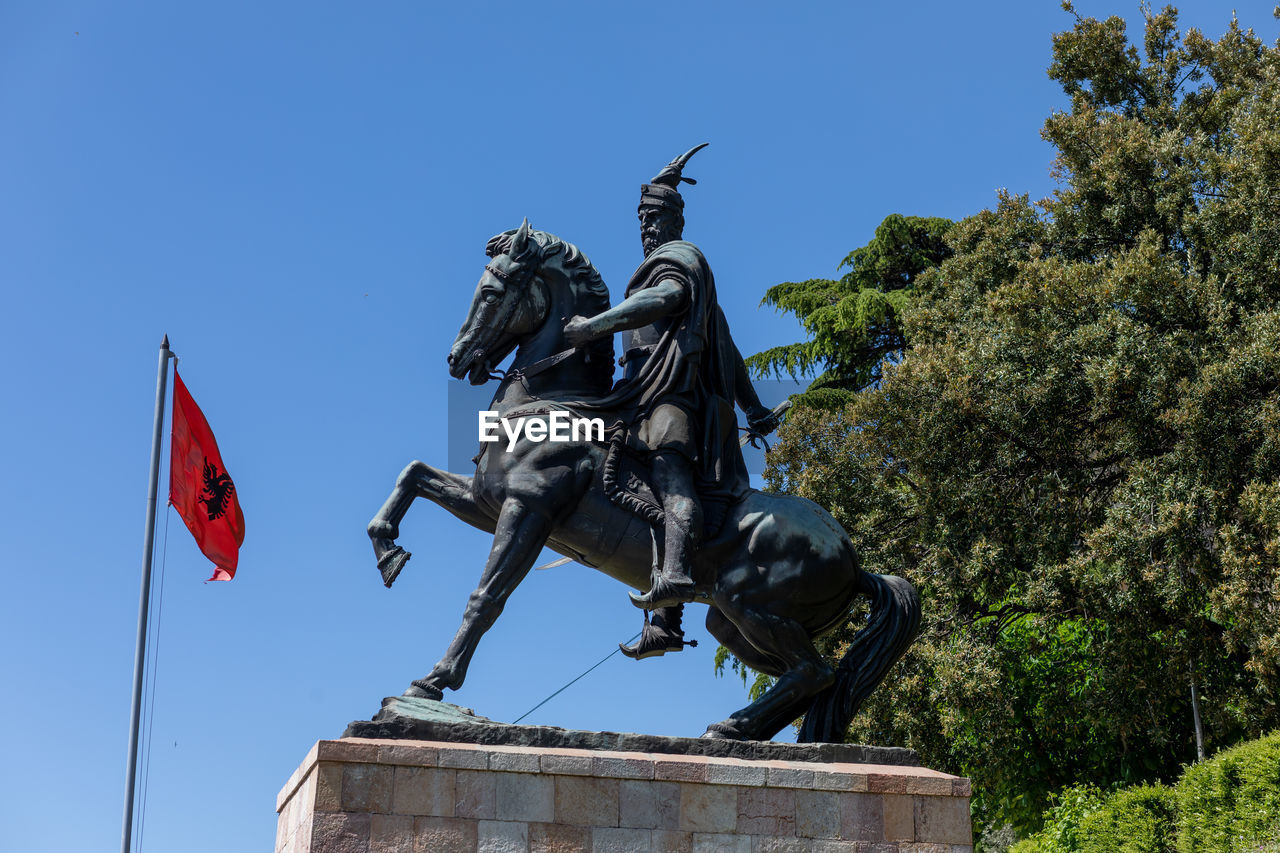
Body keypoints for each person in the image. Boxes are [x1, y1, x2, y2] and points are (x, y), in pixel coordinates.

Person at [564, 145, 781, 649]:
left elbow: (666, 301)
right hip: (634, 394)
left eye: (656, 216)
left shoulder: (680, 263)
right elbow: (731, 353)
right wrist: (756, 409)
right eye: (642, 218)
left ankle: (677, 575)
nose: (647, 226)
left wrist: (594, 326)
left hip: (669, 399)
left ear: (676, 221)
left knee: (671, 482)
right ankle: (663, 624)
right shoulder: (668, 274)